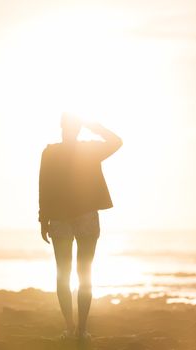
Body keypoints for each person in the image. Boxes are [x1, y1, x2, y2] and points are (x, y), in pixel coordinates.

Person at [38, 113, 123, 340]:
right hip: (75, 217)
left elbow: (43, 187)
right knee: (79, 274)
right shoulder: (84, 150)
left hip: (65, 217)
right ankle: (79, 330)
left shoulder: (53, 152)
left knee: (67, 274)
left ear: (62, 127)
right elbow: (116, 141)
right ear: (75, 128)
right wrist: (95, 127)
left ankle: (72, 328)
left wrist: (43, 218)